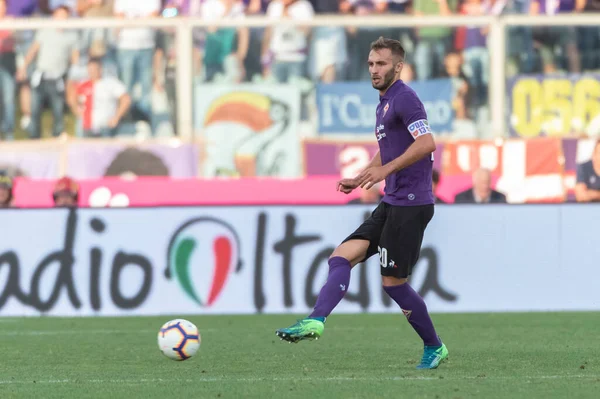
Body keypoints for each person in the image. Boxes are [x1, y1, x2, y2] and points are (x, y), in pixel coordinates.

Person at [276, 37, 448, 370]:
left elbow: (426, 143)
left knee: (393, 284)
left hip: (411, 205)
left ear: (398, 67)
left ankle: (434, 346)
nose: (374, 69)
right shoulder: (384, 102)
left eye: (381, 64)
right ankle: (316, 320)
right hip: (392, 200)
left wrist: (385, 170)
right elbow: (391, 146)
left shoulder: (406, 99)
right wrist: (364, 174)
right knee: (340, 257)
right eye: (370, 63)